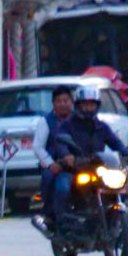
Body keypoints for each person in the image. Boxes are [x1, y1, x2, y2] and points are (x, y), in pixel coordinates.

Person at [43, 86, 128, 228]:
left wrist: (127, 155)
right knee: (62, 188)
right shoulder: (67, 125)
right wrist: (67, 155)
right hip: (72, 169)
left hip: (97, 168)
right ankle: (59, 222)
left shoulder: (102, 126)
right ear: (78, 105)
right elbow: (60, 142)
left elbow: (115, 142)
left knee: (118, 185)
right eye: (85, 105)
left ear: (97, 106)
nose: (88, 108)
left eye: (91, 105)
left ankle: (112, 217)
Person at [32, 84, 74, 229]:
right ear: (53, 104)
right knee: (59, 186)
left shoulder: (79, 120)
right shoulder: (46, 121)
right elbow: (38, 147)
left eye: (66, 100)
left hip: (79, 165)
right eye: (59, 101)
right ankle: (52, 214)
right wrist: (51, 164)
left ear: (72, 102)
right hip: (57, 166)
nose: (63, 104)